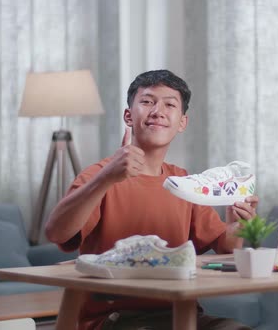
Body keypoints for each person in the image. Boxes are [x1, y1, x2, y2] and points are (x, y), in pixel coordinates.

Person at [45, 69, 259, 330]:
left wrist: (238, 225)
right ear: (128, 115)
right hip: (117, 319)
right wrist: (106, 178)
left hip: (183, 313)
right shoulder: (99, 175)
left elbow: (226, 248)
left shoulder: (184, 182)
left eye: (170, 104)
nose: (158, 110)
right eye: (147, 102)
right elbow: (56, 232)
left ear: (182, 122)